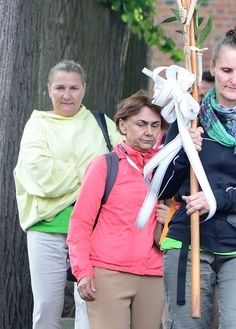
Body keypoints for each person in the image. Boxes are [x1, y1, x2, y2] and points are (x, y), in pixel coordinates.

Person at [157, 26, 236, 328]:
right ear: (212, 68)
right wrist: (182, 152)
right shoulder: (188, 117)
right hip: (189, 241)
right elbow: (160, 187)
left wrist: (218, 200)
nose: (234, 79)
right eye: (227, 69)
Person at [13, 60, 122, 329]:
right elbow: (39, 173)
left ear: (84, 89)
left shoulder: (100, 124)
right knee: (46, 309)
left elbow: (122, 167)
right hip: (47, 227)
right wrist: (91, 174)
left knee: (89, 307)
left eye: (74, 87)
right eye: (60, 87)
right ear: (49, 90)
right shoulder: (38, 125)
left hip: (94, 230)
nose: (67, 94)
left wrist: (73, 174)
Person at [67, 91, 168, 328]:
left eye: (155, 125)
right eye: (141, 124)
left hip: (154, 272)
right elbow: (80, 222)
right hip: (108, 272)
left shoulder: (165, 169)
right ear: (122, 125)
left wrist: (169, 218)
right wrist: (83, 271)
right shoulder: (104, 165)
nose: (149, 132)